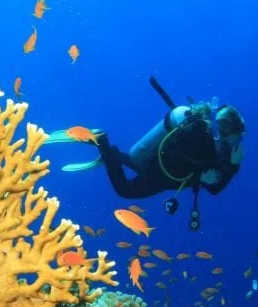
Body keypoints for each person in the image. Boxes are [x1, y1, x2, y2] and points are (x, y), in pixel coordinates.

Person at [49, 77, 246, 230]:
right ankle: (102, 142)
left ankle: (111, 153)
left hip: (157, 157)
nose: (235, 143)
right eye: (235, 138)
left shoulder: (201, 128)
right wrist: (234, 165)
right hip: (164, 175)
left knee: (136, 162)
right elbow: (213, 187)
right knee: (125, 190)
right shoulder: (208, 146)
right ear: (224, 133)